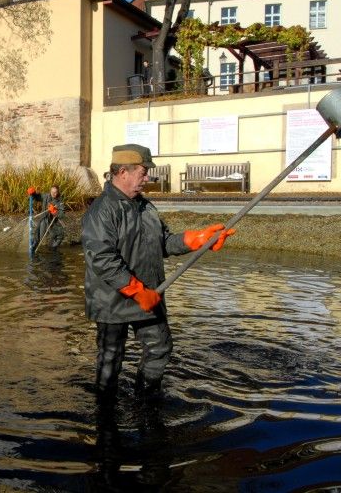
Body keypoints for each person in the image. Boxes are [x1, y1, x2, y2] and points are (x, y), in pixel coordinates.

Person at [81, 144, 234, 398]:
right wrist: (137, 291)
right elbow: (103, 259)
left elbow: (163, 242)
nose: (148, 177)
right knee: (110, 359)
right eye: (143, 172)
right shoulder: (101, 211)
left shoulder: (145, 207)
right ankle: (104, 413)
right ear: (122, 172)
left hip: (149, 294)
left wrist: (195, 239)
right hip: (111, 301)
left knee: (159, 349)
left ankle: (146, 400)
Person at [27, 184, 65, 250]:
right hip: (44, 219)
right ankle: (33, 248)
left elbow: (62, 215)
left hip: (53, 222)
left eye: (55, 192)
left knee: (60, 235)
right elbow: (37, 197)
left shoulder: (60, 202)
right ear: (50, 191)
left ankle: (53, 249)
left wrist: (54, 211)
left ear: (58, 192)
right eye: (52, 192)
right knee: (37, 236)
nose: (53, 194)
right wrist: (33, 193)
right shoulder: (46, 196)